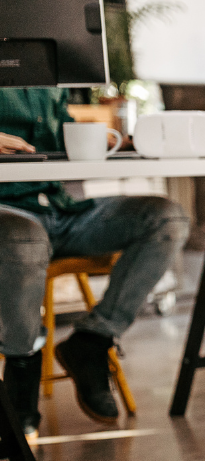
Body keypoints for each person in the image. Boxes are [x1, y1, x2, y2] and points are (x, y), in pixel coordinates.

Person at [0, 88, 190, 440]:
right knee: (24, 238)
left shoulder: (45, 75)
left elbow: (65, 137)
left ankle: (92, 339)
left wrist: (120, 143)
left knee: (166, 218)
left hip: (62, 209)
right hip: (9, 213)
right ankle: (21, 362)